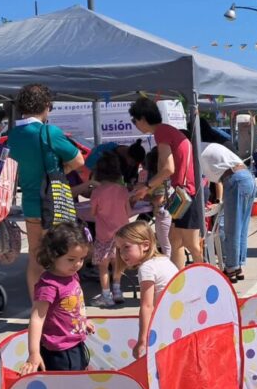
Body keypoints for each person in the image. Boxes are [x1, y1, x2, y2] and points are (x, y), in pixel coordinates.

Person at [6, 84, 86, 301]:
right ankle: (60, 305)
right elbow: (78, 160)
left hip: (31, 203)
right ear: (46, 106)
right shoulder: (48, 132)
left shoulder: (14, 135)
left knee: (35, 257)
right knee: (61, 257)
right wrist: (59, 172)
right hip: (54, 202)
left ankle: (38, 307)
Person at [128, 97, 204, 267]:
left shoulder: (161, 132)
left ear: (142, 118)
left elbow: (168, 169)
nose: (135, 124)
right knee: (174, 240)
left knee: (191, 244)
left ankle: (209, 280)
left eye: (134, 121)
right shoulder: (168, 130)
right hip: (186, 192)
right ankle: (178, 281)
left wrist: (146, 187)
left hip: (187, 194)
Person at [20, 222, 94, 374]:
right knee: (65, 386)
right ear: (53, 255)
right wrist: (34, 353)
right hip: (59, 350)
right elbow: (37, 319)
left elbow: (75, 305)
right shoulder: (49, 285)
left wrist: (82, 321)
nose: (78, 264)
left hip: (75, 342)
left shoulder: (72, 275)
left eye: (82, 259)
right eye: (71, 259)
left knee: (78, 378)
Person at [115, 220, 179, 358]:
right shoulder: (164, 260)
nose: (122, 253)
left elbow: (147, 306)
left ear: (145, 245)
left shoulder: (147, 268)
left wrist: (142, 340)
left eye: (126, 247)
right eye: (119, 249)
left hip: (165, 322)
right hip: (176, 317)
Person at [81, 152, 132, 307]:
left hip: (104, 235)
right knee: (118, 263)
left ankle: (105, 295)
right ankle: (117, 291)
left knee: (103, 267)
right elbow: (129, 212)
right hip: (122, 234)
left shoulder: (97, 192)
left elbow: (93, 212)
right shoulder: (123, 190)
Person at [199, 140, 255, 282]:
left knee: (232, 228)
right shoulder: (205, 146)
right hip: (246, 176)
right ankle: (237, 265)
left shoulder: (195, 151)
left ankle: (230, 268)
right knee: (241, 227)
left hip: (234, 179)